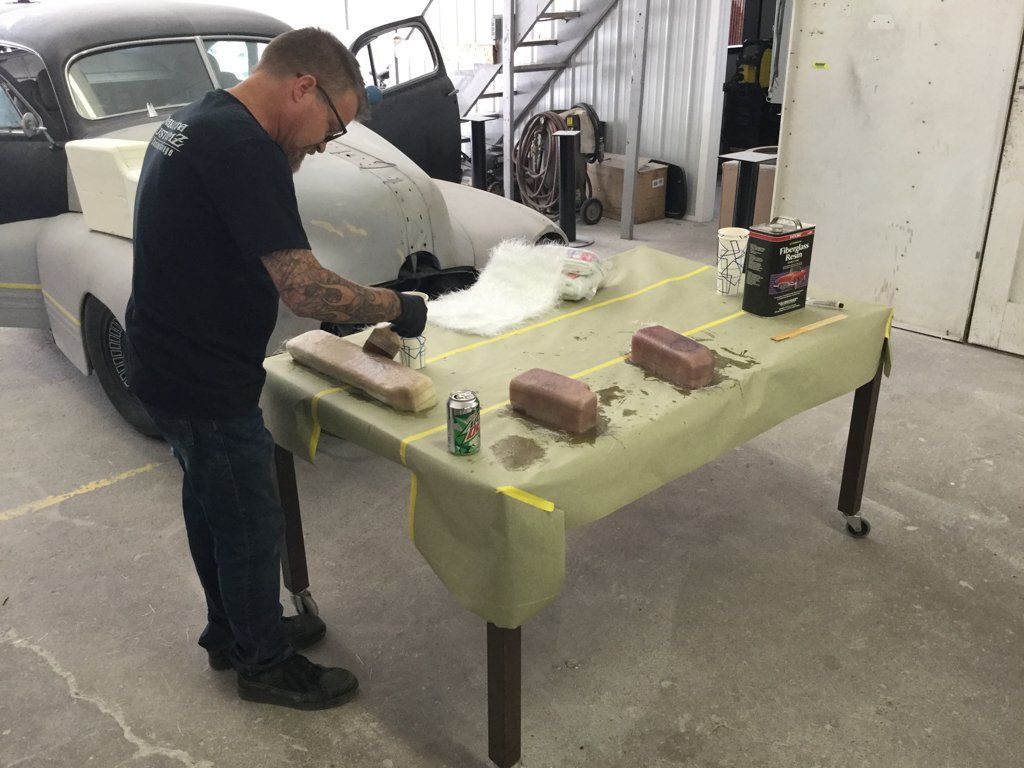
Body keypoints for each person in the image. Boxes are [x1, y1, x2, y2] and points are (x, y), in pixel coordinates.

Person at [124, 27, 427, 710]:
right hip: (200, 375)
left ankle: (233, 631)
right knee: (250, 521)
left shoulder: (198, 118)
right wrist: (398, 306)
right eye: (333, 124)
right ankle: (263, 663)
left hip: (164, 355)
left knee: (212, 505)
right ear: (302, 88)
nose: (325, 142)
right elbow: (304, 289)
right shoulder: (243, 149)